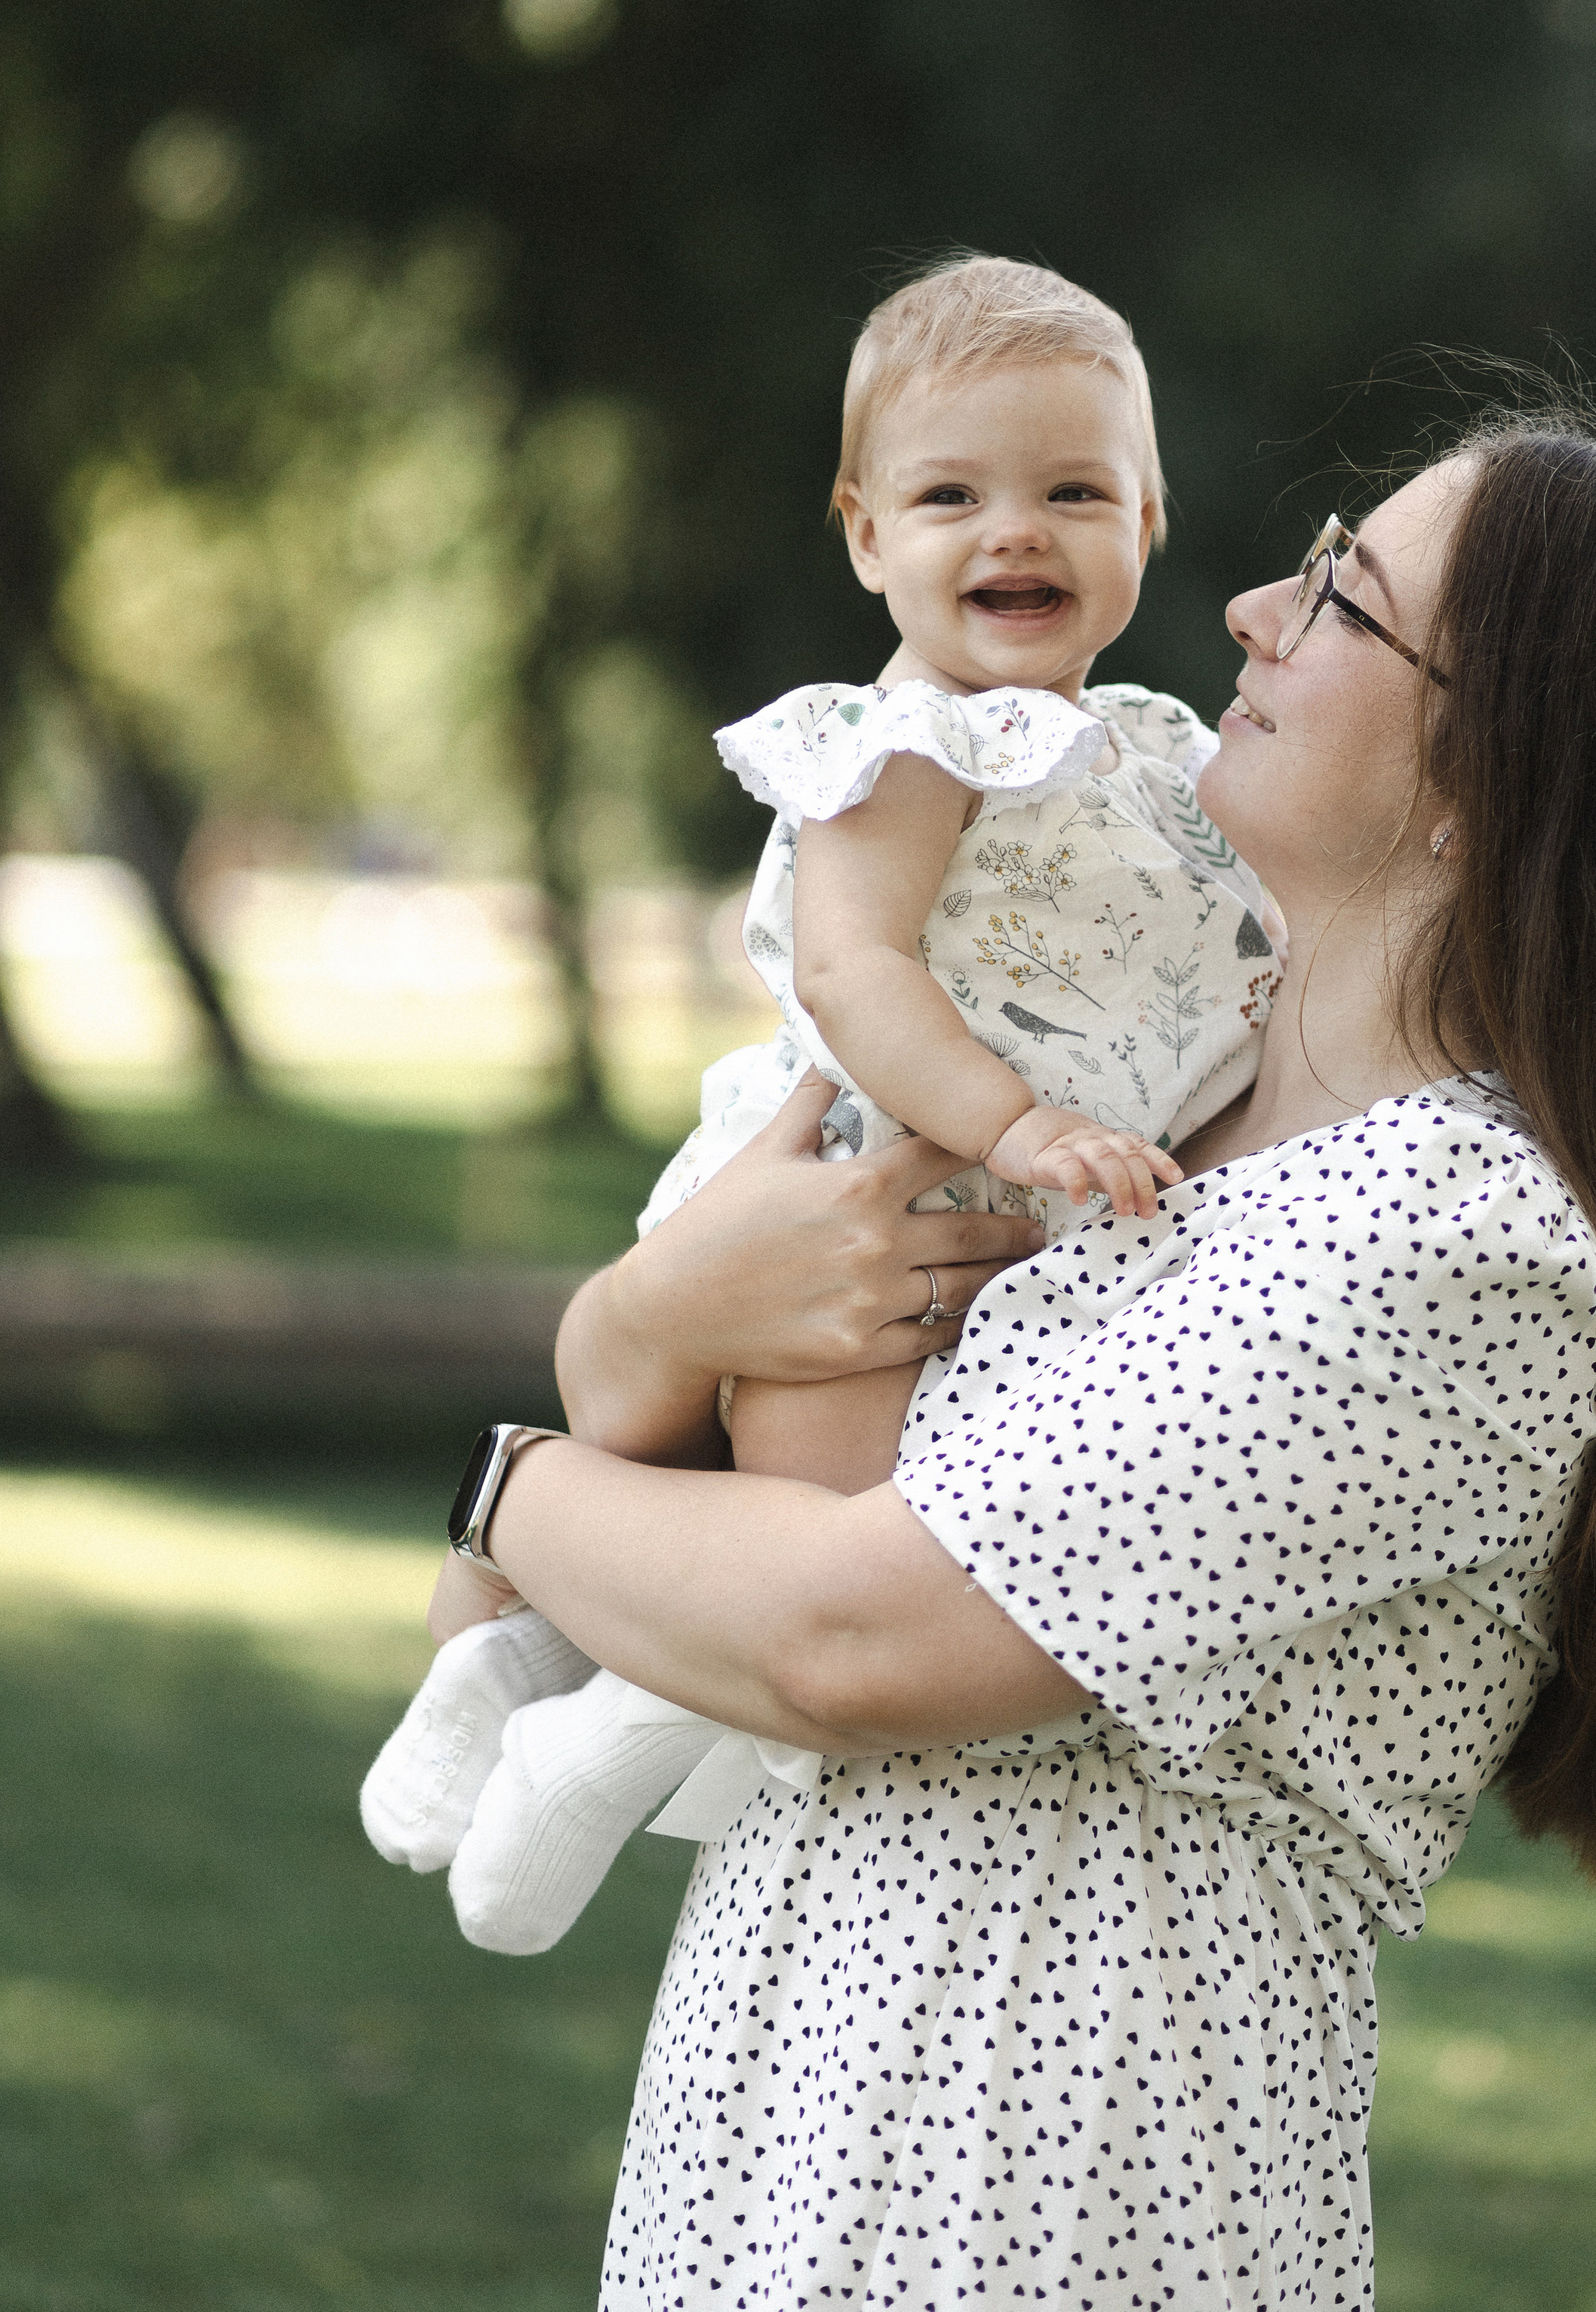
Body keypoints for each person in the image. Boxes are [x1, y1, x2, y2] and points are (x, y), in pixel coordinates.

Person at [422, 401, 1596, 2311]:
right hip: (786, 2135)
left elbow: (837, 1635)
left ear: (1482, 777)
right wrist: (651, 1319)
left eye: (1342, 597)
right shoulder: (1148, 1099)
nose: (1249, 606)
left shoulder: (1456, 1243)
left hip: (1060, 2201)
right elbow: (692, 1392)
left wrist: (509, 1484)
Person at [361, 255, 1281, 1950]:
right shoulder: (911, 745)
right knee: (826, 1525)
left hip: (1033, 1211)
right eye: (951, 497)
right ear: (865, 535)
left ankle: (530, 1654)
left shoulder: (1154, 749)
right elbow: (857, 975)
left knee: (841, 1548)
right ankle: (562, 1711)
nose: (1013, 532)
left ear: (1148, 522)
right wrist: (1012, 1128)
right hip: (885, 1173)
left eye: (1072, 491)